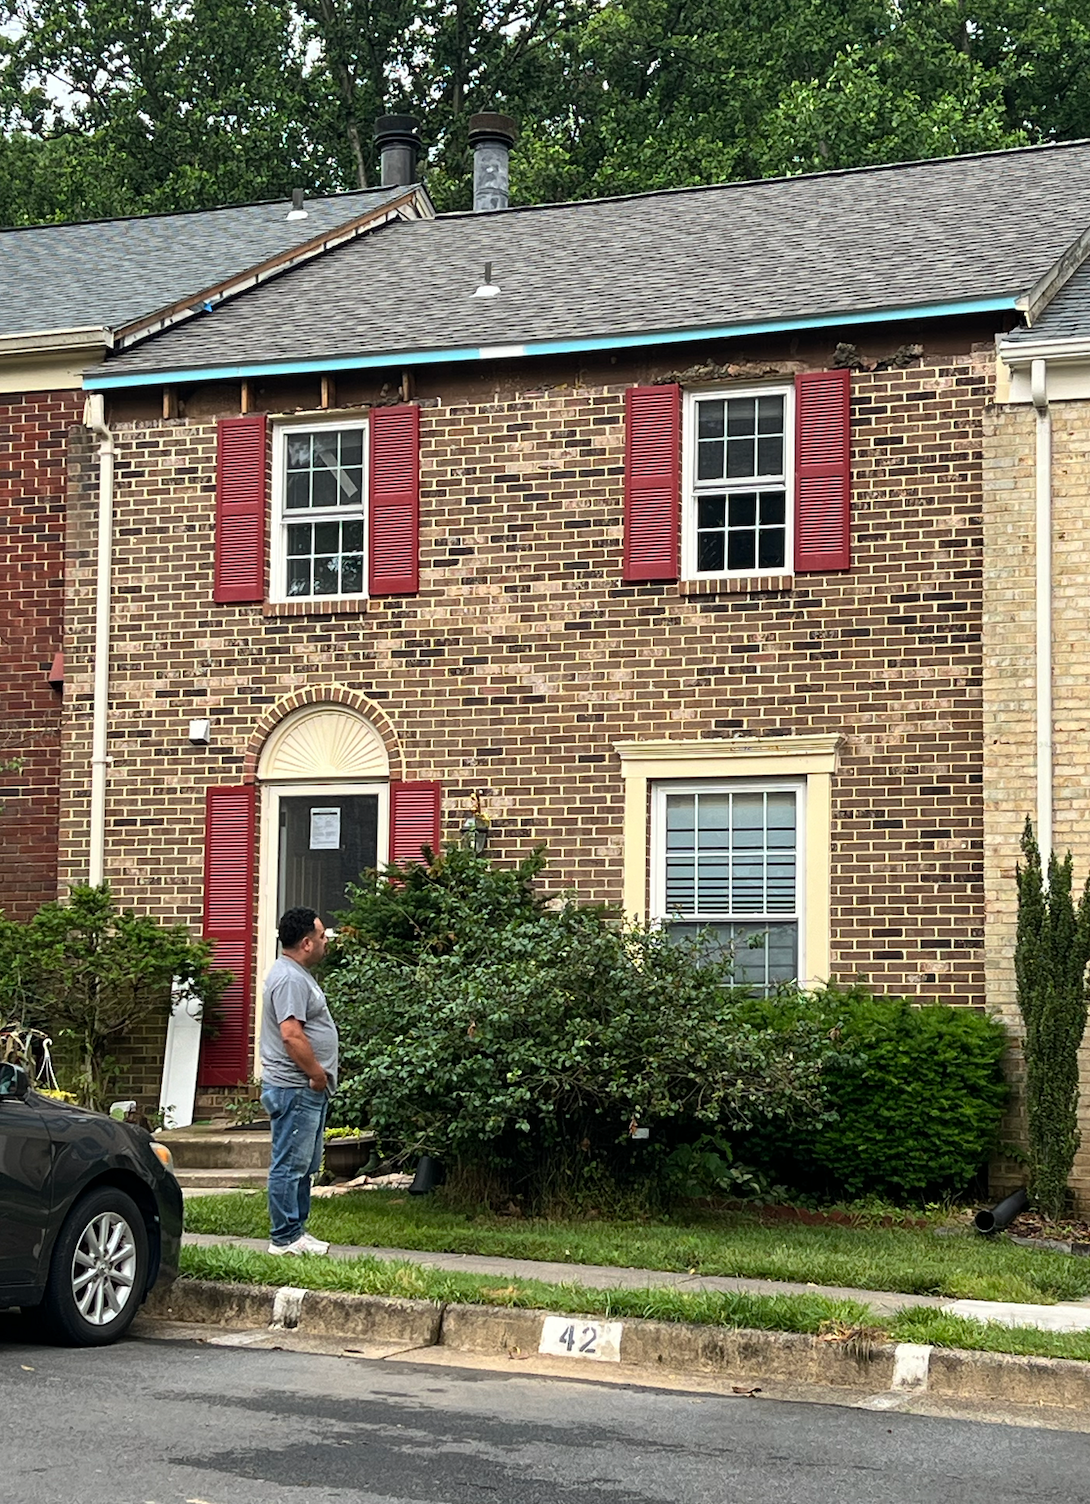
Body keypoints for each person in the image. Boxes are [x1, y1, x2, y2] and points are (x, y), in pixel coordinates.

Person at [259, 907, 339, 1256]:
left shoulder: (296, 973)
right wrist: (316, 1074)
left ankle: (297, 1232)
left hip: (303, 1087)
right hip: (295, 1087)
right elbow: (291, 1035)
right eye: (322, 937)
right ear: (306, 943)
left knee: (303, 1165)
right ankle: (284, 1238)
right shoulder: (290, 978)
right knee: (290, 1165)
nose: (326, 942)